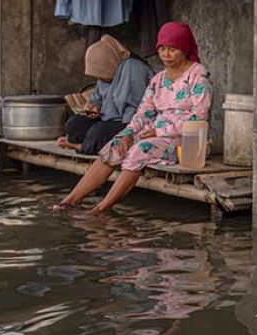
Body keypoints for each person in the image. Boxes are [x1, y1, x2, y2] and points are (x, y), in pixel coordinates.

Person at [57, 22, 212, 215]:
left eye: (173, 49)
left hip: (187, 143)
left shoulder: (198, 76)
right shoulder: (158, 79)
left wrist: (159, 131)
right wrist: (128, 133)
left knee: (140, 149)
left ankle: (100, 209)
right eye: (162, 49)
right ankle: (71, 201)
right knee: (116, 144)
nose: (166, 54)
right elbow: (144, 112)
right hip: (155, 135)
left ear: (185, 48)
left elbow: (199, 116)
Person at [58, 35, 152, 156]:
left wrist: (128, 131)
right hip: (106, 120)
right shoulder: (105, 75)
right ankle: (88, 143)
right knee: (74, 124)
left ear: (110, 63)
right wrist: (93, 107)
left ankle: (82, 146)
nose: (100, 79)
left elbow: (135, 107)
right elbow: (97, 98)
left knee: (98, 132)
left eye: (101, 75)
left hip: (130, 122)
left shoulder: (133, 69)